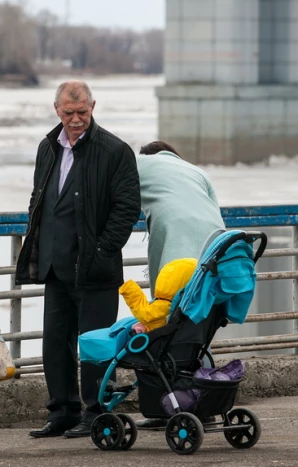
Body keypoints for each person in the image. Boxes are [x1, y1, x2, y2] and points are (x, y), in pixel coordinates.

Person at [15, 80, 141, 438]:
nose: (75, 119)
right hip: (55, 266)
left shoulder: (115, 151)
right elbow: (38, 199)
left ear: (93, 106)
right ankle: (63, 412)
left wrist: (102, 251)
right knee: (55, 342)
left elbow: (127, 208)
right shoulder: (47, 148)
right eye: (68, 112)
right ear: (56, 109)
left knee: (96, 344)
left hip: (95, 268)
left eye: (82, 112)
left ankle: (97, 412)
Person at [135, 140, 225, 428]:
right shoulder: (196, 171)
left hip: (178, 259)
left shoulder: (143, 164)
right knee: (197, 332)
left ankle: (170, 405)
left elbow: (115, 194)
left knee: (167, 328)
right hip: (216, 253)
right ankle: (203, 402)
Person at [137, 141, 226, 296]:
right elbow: (214, 209)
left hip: (175, 240)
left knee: (168, 301)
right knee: (202, 299)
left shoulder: (143, 162)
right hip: (216, 242)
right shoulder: (199, 172)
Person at [120, 257, 197, 333]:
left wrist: (128, 290)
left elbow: (144, 313)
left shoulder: (163, 306)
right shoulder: (189, 305)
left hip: (154, 337)